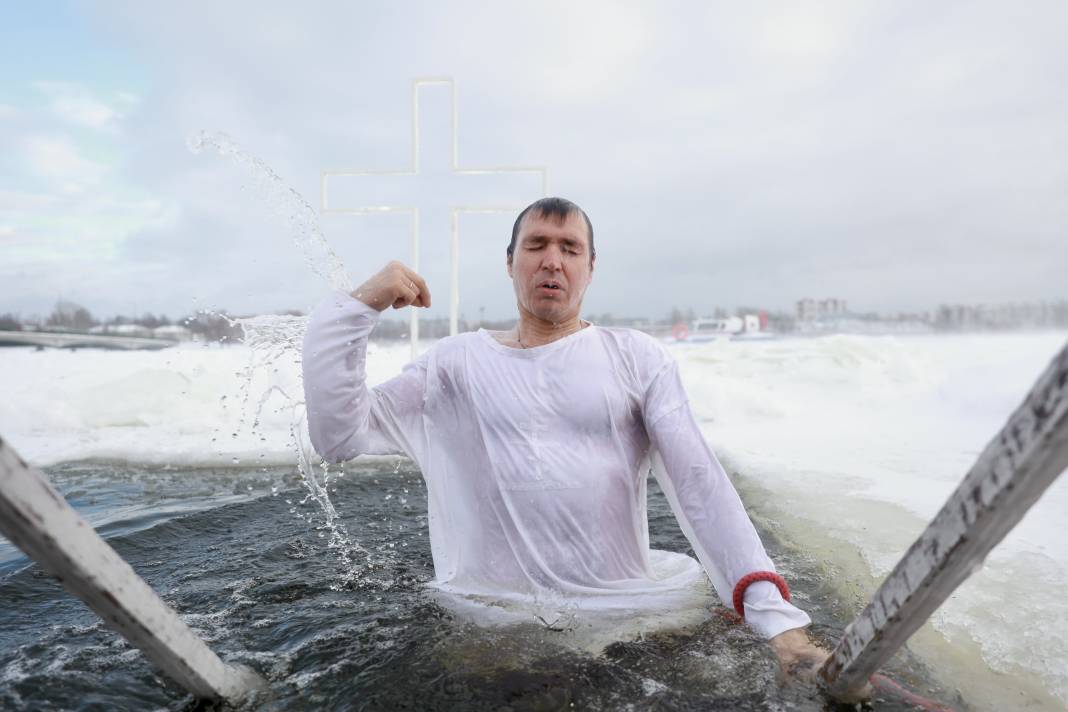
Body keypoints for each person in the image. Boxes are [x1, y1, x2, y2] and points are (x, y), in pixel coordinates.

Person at [302, 196, 854, 694]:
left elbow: (699, 485)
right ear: (510, 261)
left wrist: (779, 623)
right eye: (536, 245)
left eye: (570, 248)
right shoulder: (456, 364)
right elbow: (338, 435)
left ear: (590, 267)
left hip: (628, 616)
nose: (552, 261)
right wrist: (359, 309)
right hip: (492, 622)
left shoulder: (634, 357)